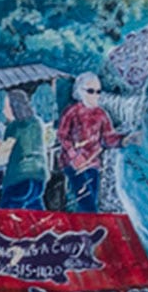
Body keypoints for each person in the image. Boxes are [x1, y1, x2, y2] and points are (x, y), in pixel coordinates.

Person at [55, 73, 139, 213]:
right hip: (74, 165)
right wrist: (75, 156)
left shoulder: (101, 114)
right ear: (80, 91)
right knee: (86, 203)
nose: (96, 95)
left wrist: (126, 140)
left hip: (92, 163)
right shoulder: (71, 112)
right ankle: (86, 230)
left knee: (91, 200)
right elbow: (62, 136)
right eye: (91, 91)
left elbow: (108, 139)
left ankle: (87, 231)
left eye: (98, 91)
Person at [0, 89, 51, 210]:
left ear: (14, 108)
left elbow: (1, 152)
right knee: (37, 213)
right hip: (39, 176)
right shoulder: (37, 122)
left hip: (19, 178)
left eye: (6, 106)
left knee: (6, 214)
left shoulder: (14, 126)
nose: (3, 111)